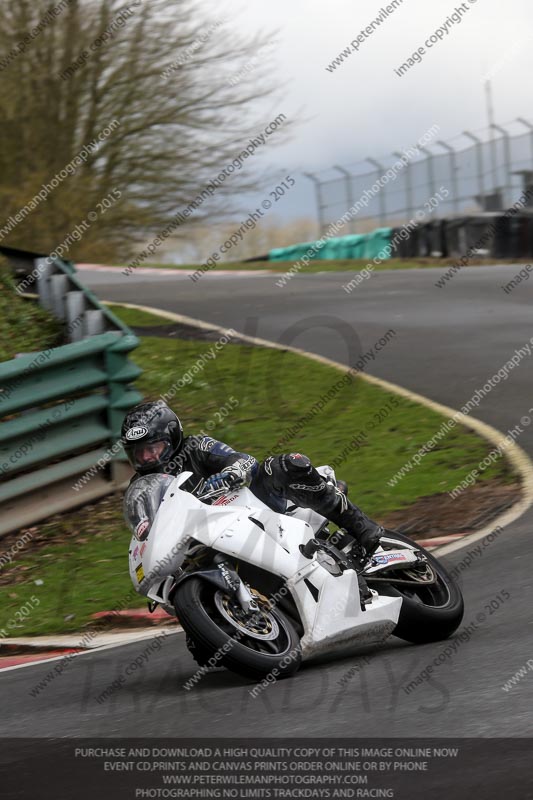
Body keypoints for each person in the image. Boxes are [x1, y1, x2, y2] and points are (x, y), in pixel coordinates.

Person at [121, 400, 383, 558]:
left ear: (173, 437)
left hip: (248, 508)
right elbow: (143, 527)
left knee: (282, 465)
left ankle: (362, 528)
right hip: (199, 540)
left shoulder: (196, 447)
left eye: (152, 448)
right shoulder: (140, 488)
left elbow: (242, 459)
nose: (147, 458)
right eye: (139, 453)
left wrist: (231, 474)